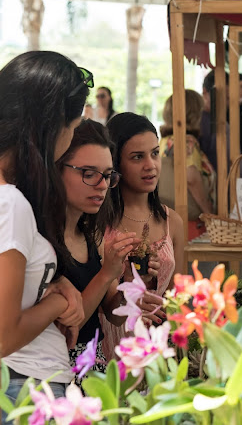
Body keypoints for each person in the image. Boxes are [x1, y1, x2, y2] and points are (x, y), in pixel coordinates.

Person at [0, 51, 89, 422]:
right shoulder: (5, 204)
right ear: (52, 126)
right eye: (72, 127)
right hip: (16, 391)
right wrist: (59, 305)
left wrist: (54, 283)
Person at [56, 119, 137, 381]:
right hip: (58, 372)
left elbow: (114, 314)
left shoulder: (89, 234)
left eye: (107, 175)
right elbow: (69, 326)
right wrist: (106, 274)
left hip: (94, 367)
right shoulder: (42, 240)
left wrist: (133, 282)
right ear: (56, 170)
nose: (102, 185)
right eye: (88, 173)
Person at [102, 112, 184, 360]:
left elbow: (175, 301)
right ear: (115, 163)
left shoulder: (173, 223)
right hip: (111, 355)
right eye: (137, 157)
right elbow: (109, 312)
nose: (150, 165)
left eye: (155, 153)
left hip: (156, 354)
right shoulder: (100, 226)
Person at [159, 90, 217, 240]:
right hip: (190, 224)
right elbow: (191, 178)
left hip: (167, 221)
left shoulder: (164, 141)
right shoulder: (187, 142)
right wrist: (208, 213)